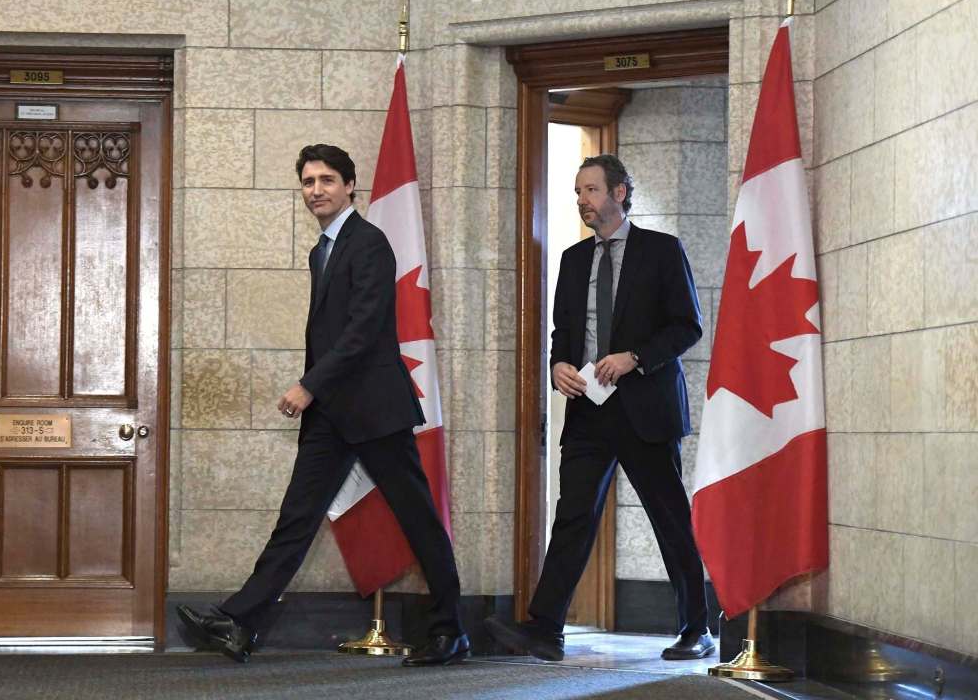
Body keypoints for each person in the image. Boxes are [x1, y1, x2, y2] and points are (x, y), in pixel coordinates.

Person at [177, 144, 469, 666]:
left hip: (376, 410)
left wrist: (308, 385)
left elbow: (361, 332)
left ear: (350, 186)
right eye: (309, 181)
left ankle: (451, 631)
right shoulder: (323, 249)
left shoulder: (370, 243)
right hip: (333, 414)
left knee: (418, 520)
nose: (317, 190)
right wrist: (318, 393)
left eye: (327, 180)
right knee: (297, 517)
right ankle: (241, 623)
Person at [485, 154, 713, 661]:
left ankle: (697, 628)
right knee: (572, 516)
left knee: (668, 517)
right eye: (579, 192)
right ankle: (545, 629)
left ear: (620, 192)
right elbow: (563, 334)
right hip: (589, 408)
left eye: (591, 190)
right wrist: (557, 367)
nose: (583, 200)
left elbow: (687, 326)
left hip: (645, 408)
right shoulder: (571, 259)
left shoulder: (661, 251)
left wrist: (635, 358)